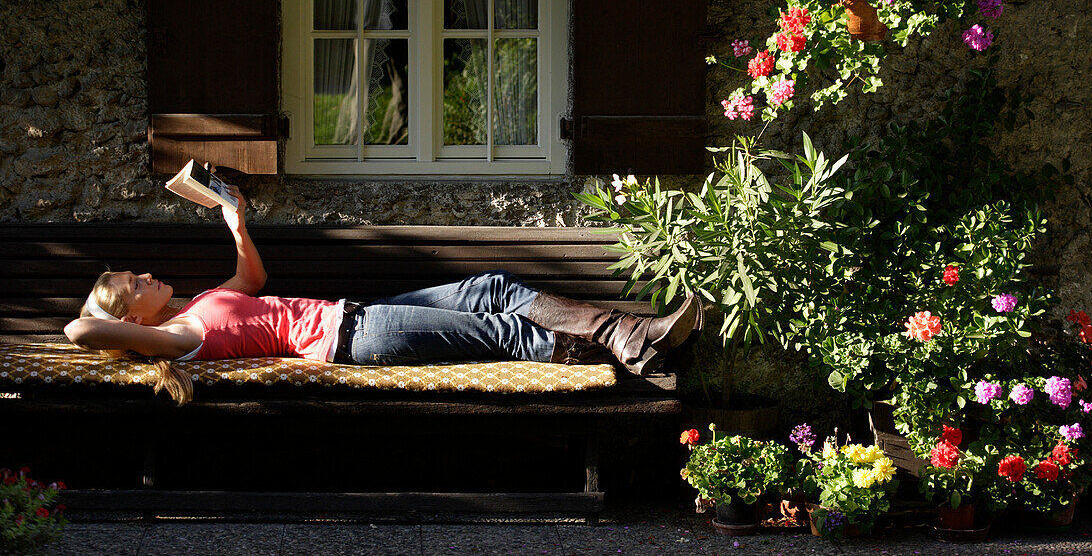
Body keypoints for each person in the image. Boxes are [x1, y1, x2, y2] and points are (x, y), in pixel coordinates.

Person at [64, 185, 702, 405]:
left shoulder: (195, 309)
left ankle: (627, 335)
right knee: (502, 330)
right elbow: (81, 333)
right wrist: (102, 318)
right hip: (352, 340)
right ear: (133, 319)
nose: (146, 277)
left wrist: (235, 224)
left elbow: (252, 283)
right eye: (133, 286)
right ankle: (628, 345)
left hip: (356, 317)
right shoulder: (176, 339)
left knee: (491, 287)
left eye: (137, 274)